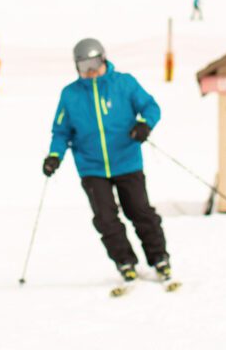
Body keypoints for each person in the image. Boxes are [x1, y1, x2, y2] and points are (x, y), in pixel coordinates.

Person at [42, 38, 171, 283]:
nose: (90, 71)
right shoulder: (70, 95)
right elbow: (61, 132)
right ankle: (125, 261)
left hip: (127, 161)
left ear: (103, 59)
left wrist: (145, 125)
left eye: (93, 63)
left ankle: (159, 258)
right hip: (91, 167)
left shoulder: (124, 83)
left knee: (140, 211)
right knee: (105, 218)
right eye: (83, 66)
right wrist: (54, 156)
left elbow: (151, 107)